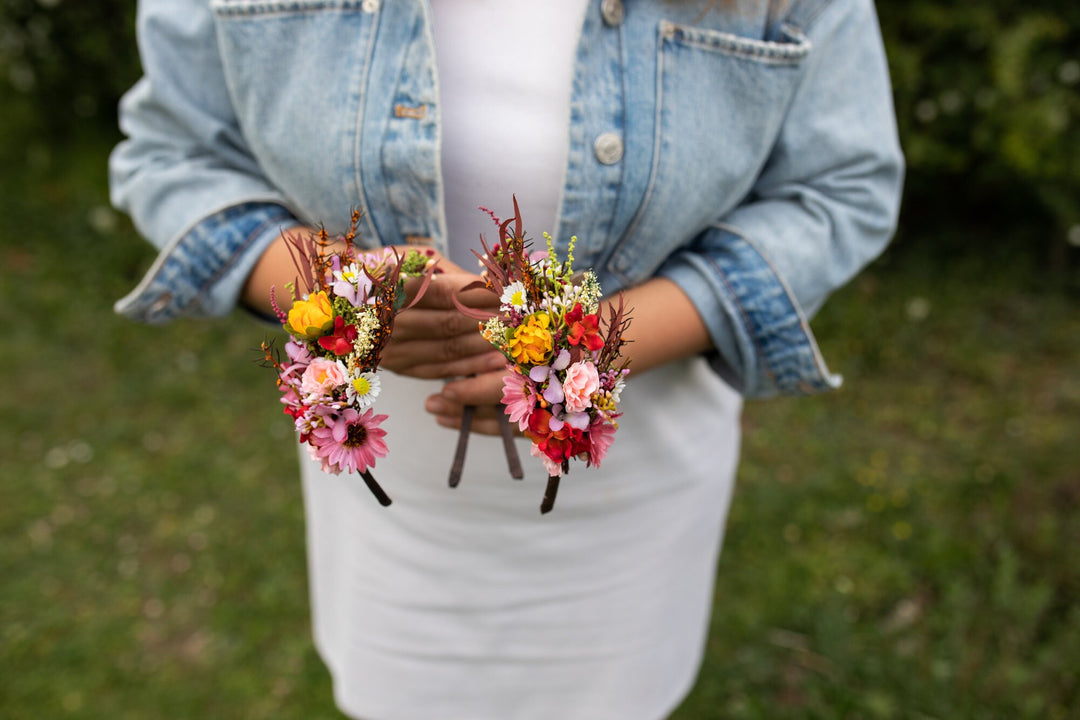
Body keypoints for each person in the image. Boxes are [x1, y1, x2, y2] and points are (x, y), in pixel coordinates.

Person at [110, 0, 903, 717]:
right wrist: (330, 294)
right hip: (392, 496)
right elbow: (175, 154)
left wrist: (594, 346)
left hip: (632, 494)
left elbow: (841, 188)